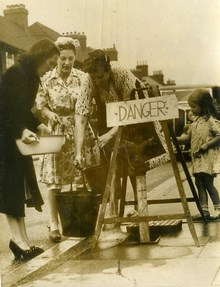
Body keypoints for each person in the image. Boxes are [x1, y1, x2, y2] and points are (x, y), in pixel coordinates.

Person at [74, 49, 169, 219]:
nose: (97, 81)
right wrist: (79, 152)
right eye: (94, 78)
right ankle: (113, 212)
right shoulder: (88, 80)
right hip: (109, 114)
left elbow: (132, 110)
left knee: (135, 161)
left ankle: (141, 208)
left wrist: (111, 134)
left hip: (137, 113)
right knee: (112, 163)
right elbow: (81, 116)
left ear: (108, 71)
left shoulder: (121, 74)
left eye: (100, 77)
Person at [35, 37, 100, 242]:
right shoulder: (46, 79)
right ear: (57, 58)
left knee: (83, 178)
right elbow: (40, 105)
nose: (66, 63)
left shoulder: (82, 78)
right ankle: (54, 225)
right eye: (62, 58)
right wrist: (50, 114)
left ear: (75, 58)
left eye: (70, 58)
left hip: (80, 130)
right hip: (57, 132)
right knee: (54, 181)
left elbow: (92, 102)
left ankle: (82, 222)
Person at [0, 39, 59, 260]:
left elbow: (22, 110)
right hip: (5, 139)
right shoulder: (15, 74)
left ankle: (23, 241)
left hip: (17, 138)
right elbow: (5, 110)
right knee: (10, 191)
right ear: (40, 57)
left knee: (19, 190)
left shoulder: (31, 77)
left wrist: (36, 125)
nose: (50, 68)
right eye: (50, 63)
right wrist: (21, 130)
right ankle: (17, 240)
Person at [178, 89, 220, 220]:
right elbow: (187, 137)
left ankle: (218, 208)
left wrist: (206, 145)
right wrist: (174, 138)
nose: (192, 110)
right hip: (197, 159)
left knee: (208, 183)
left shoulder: (211, 121)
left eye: (194, 107)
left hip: (207, 158)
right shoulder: (195, 122)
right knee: (199, 183)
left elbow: (219, 136)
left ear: (204, 105)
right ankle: (204, 211)